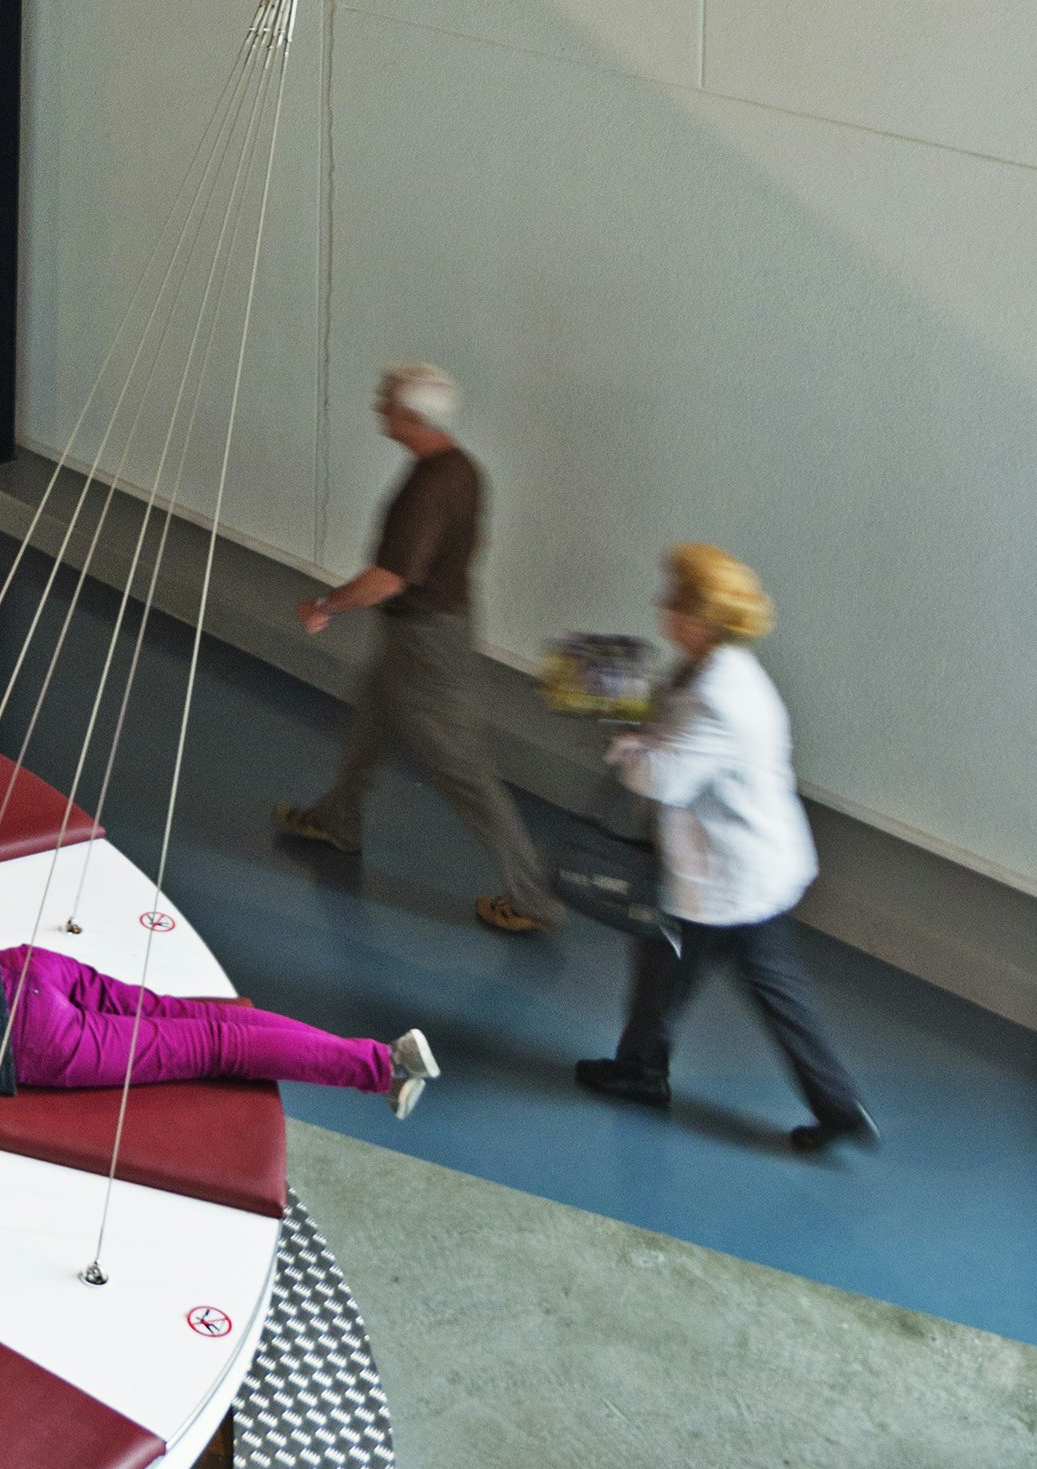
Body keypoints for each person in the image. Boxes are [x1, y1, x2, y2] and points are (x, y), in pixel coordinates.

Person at [0, 840, 438, 1114]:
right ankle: (382, 1055)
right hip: (23, 971)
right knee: (204, 1020)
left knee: (219, 1049)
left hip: (33, 1040)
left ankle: (381, 1070)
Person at [577, 547, 876, 1149]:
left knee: (748, 984)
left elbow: (665, 779)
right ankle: (640, 1068)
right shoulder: (723, 671)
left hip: (731, 876)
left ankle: (837, 1106)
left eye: (673, 599)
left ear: (699, 619)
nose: (661, 606)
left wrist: (624, 744)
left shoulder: (716, 695)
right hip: (741, 866)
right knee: (672, 964)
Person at [273, 363, 567, 936]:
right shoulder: (463, 469)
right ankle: (338, 820)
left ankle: (534, 900)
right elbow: (470, 543)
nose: (379, 409)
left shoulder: (430, 486)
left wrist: (325, 606)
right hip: (424, 634)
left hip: (428, 647)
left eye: (387, 403)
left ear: (412, 417)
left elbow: (389, 578)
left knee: (464, 772)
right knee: (371, 723)